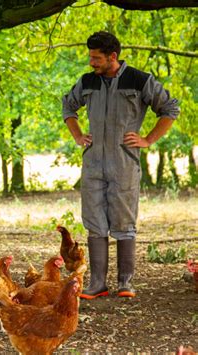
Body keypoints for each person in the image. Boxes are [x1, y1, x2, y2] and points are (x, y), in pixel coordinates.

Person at [62, 31, 179, 299]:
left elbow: (170, 108)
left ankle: (125, 283)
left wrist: (148, 139)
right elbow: (68, 107)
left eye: (96, 58)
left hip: (124, 164)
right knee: (94, 222)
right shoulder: (87, 82)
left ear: (113, 56)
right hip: (92, 165)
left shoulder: (139, 80)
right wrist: (78, 135)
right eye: (90, 57)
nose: (91, 62)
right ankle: (97, 284)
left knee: (124, 223)